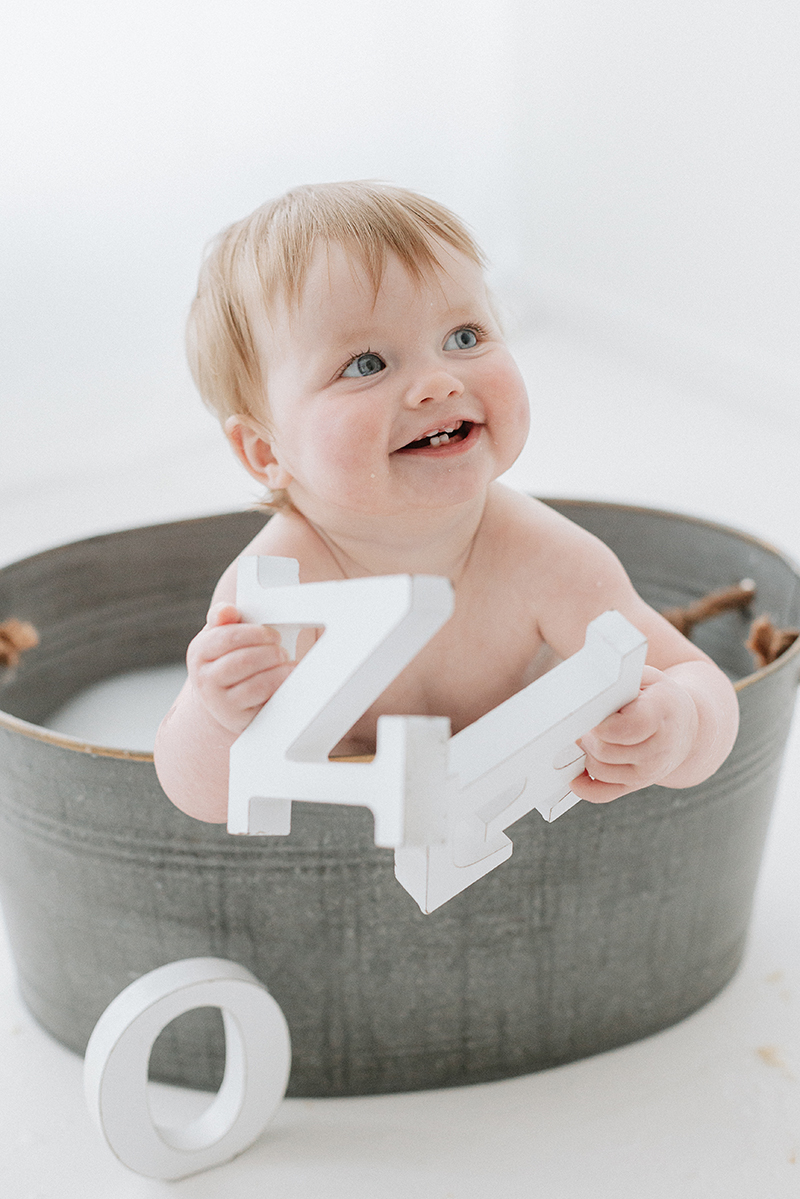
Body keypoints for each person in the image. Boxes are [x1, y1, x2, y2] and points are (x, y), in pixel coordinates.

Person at [154, 181, 739, 823]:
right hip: (353, 872)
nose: (437, 381)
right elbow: (201, 799)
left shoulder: (545, 558)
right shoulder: (272, 593)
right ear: (266, 451)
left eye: (464, 336)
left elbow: (701, 681)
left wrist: (678, 726)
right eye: (366, 363)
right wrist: (218, 716)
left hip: (524, 837)